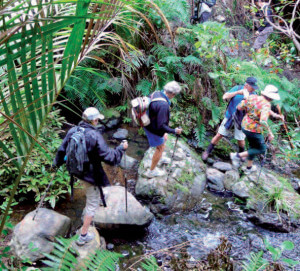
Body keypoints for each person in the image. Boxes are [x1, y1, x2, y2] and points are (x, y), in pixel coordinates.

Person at [53, 107, 128, 245]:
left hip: (77, 170)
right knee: (92, 204)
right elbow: (110, 158)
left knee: (103, 183)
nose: (98, 120)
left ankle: (100, 196)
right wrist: (120, 149)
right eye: (97, 119)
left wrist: (56, 164)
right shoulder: (94, 135)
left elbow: (61, 149)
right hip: (90, 175)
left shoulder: (73, 130)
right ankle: (83, 236)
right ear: (94, 120)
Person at [202, 77, 259, 161]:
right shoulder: (238, 88)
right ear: (246, 85)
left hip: (241, 120)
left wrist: (246, 98)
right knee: (219, 134)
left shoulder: (254, 95)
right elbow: (224, 96)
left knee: (240, 139)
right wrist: (237, 93)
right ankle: (207, 151)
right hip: (230, 116)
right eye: (252, 86)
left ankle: (241, 154)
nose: (254, 88)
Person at [230, 85, 282, 174]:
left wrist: (276, 115)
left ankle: (248, 168)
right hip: (254, 130)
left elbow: (239, 107)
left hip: (244, 125)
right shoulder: (266, 104)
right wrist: (270, 133)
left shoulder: (253, 97)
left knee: (253, 146)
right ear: (271, 97)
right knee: (262, 149)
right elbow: (263, 121)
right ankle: (237, 156)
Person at [143, 81, 183, 178]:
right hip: (153, 129)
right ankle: (151, 171)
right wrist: (174, 131)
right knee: (160, 148)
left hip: (146, 122)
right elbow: (161, 126)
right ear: (173, 94)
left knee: (163, 140)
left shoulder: (156, 93)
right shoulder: (163, 106)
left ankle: (158, 157)